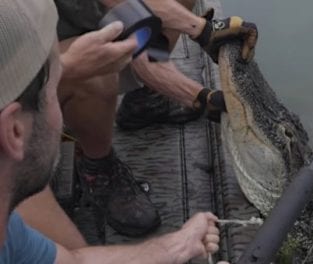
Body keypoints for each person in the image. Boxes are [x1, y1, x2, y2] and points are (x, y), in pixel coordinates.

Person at [0, 0, 221, 262]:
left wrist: (175, 247)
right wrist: (67, 67)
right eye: (50, 90)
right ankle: (98, 168)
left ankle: (146, 97)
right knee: (94, 76)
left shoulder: (11, 238)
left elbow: (75, 261)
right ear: (14, 131)